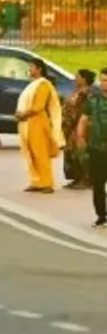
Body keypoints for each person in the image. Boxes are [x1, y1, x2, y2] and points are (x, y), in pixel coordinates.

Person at [15, 58, 64, 193]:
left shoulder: (43, 85)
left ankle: (47, 183)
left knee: (40, 152)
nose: (29, 70)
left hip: (37, 122)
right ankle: (36, 181)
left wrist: (23, 114)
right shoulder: (33, 84)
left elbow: (38, 106)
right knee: (30, 153)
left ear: (39, 69)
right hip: (27, 122)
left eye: (31, 67)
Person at [75, 68, 107, 228]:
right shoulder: (93, 99)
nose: (103, 84)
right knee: (98, 183)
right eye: (102, 80)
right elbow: (83, 118)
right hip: (97, 147)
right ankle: (101, 216)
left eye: (106, 80)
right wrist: (80, 137)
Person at [62, 69, 96, 189]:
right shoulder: (76, 91)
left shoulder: (87, 93)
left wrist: (73, 125)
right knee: (71, 153)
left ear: (84, 79)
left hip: (80, 126)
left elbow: (81, 111)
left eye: (78, 77)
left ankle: (87, 179)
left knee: (81, 154)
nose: (75, 79)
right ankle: (77, 178)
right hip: (71, 126)